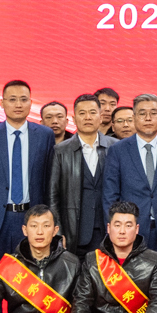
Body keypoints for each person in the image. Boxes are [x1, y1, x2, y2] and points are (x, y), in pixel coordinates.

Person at [0, 80, 56, 278]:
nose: (18, 104)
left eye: (23, 99)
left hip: (32, 218)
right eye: (12, 99)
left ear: (31, 103)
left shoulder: (45, 135)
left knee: (30, 278)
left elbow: (51, 181)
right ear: (2, 103)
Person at [101, 94, 157, 266]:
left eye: (153, 113)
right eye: (142, 113)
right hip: (129, 233)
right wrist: (114, 231)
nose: (148, 118)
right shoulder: (118, 150)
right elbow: (110, 195)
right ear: (134, 117)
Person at [48, 94, 111, 253]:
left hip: (109, 231)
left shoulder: (115, 147)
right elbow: (53, 195)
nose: (87, 117)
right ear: (74, 119)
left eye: (92, 112)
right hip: (75, 232)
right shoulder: (61, 150)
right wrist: (58, 231)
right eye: (82, 113)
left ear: (101, 117)